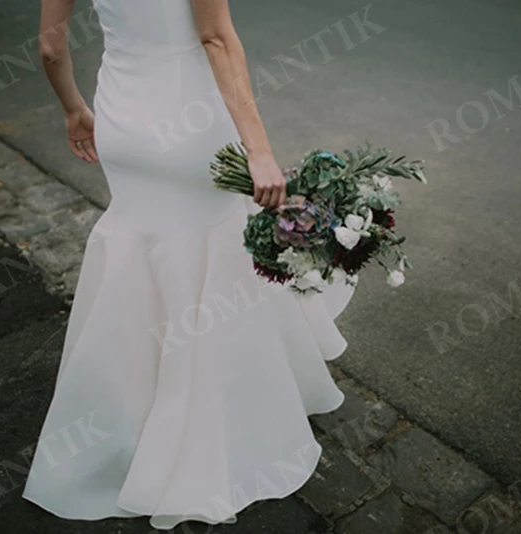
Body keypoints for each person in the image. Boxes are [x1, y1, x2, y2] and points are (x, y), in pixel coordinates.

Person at [22, 0, 356, 530]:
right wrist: (259, 149)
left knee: (139, 252)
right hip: (192, 120)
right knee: (209, 253)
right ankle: (208, 419)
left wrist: (73, 109)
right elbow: (217, 39)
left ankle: (125, 413)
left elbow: (50, 46)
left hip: (123, 122)